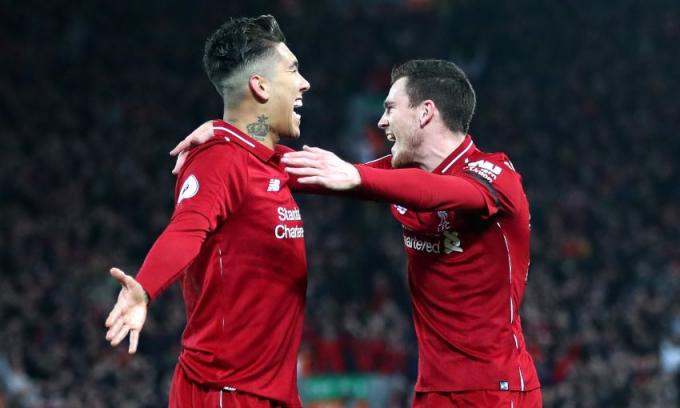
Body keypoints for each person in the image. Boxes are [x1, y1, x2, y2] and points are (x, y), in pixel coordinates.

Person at [173, 59, 542, 407]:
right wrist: (227, 137)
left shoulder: (495, 175)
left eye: (390, 108)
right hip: (433, 389)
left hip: (496, 388)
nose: (381, 122)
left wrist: (359, 177)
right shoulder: (398, 175)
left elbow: (442, 193)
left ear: (426, 112)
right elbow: (297, 169)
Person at [104, 15, 311, 408]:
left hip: (270, 392)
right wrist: (144, 289)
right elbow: (187, 229)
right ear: (260, 86)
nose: (305, 83)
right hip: (225, 392)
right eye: (294, 69)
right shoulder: (219, 160)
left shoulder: (270, 162)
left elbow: (353, 177)